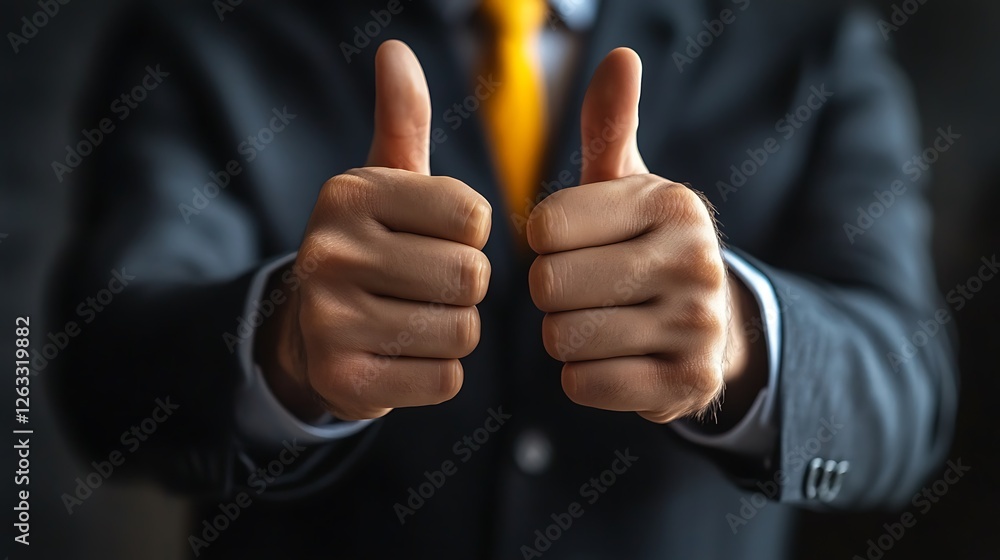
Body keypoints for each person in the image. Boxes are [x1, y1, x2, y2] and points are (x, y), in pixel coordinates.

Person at [53, 1, 957, 558]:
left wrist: (743, 341)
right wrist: (280, 346)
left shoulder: (811, 35)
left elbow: (909, 400)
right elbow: (99, 372)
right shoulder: (208, 26)